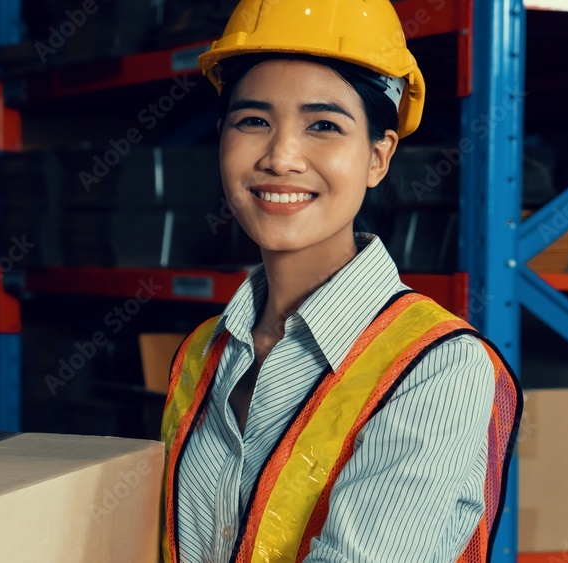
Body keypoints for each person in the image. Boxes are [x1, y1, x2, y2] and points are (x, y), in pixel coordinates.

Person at [160, 1, 523, 562]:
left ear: (379, 157)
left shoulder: (436, 368)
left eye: (323, 125)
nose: (281, 157)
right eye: (253, 120)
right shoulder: (203, 353)